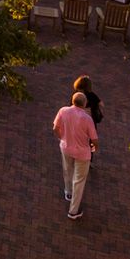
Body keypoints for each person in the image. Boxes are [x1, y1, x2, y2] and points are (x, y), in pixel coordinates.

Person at [53, 91, 98, 220]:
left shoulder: (63, 111)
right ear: (84, 104)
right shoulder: (87, 119)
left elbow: (55, 127)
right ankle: (73, 211)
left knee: (67, 169)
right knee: (79, 181)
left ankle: (68, 192)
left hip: (66, 147)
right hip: (82, 153)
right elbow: (94, 139)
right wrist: (95, 147)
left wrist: (62, 138)